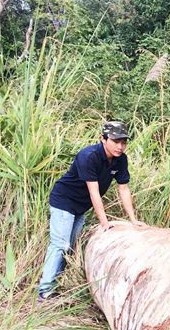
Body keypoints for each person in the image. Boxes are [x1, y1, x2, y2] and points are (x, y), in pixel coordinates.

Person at [37, 120, 143, 300]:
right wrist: (104, 223)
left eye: (123, 142)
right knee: (60, 244)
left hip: (80, 206)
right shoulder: (89, 156)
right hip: (64, 201)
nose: (120, 146)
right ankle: (45, 291)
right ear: (103, 139)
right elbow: (94, 192)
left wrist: (133, 220)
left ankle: (55, 285)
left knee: (70, 247)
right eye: (115, 141)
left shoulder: (120, 159)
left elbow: (123, 188)